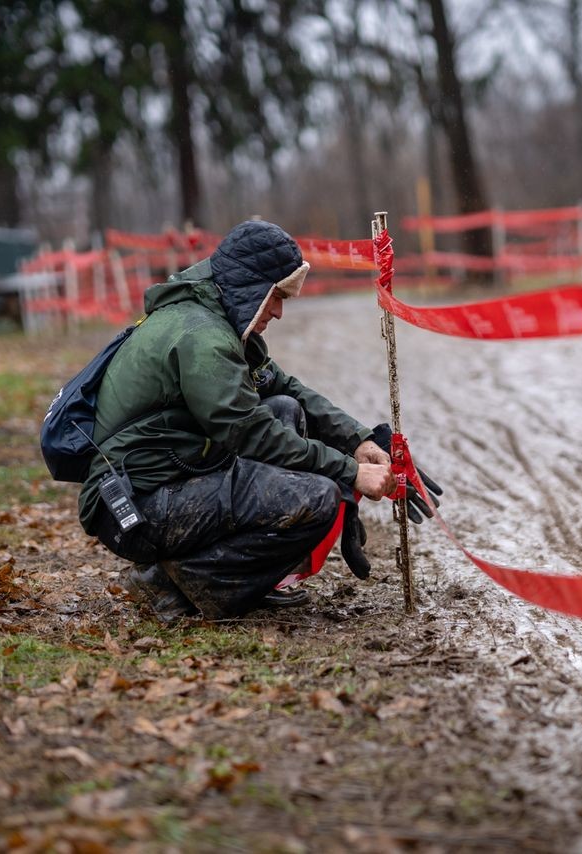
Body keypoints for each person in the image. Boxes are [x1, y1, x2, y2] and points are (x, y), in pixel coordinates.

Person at [78, 220, 404, 621]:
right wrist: (349, 472)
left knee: (286, 408)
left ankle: (195, 576)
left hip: (156, 485)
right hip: (136, 507)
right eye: (276, 296)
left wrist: (358, 439)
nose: (280, 312)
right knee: (318, 498)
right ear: (252, 287)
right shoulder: (204, 337)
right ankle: (179, 585)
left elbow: (283, 386)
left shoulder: (211, 316)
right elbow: (250, 433)